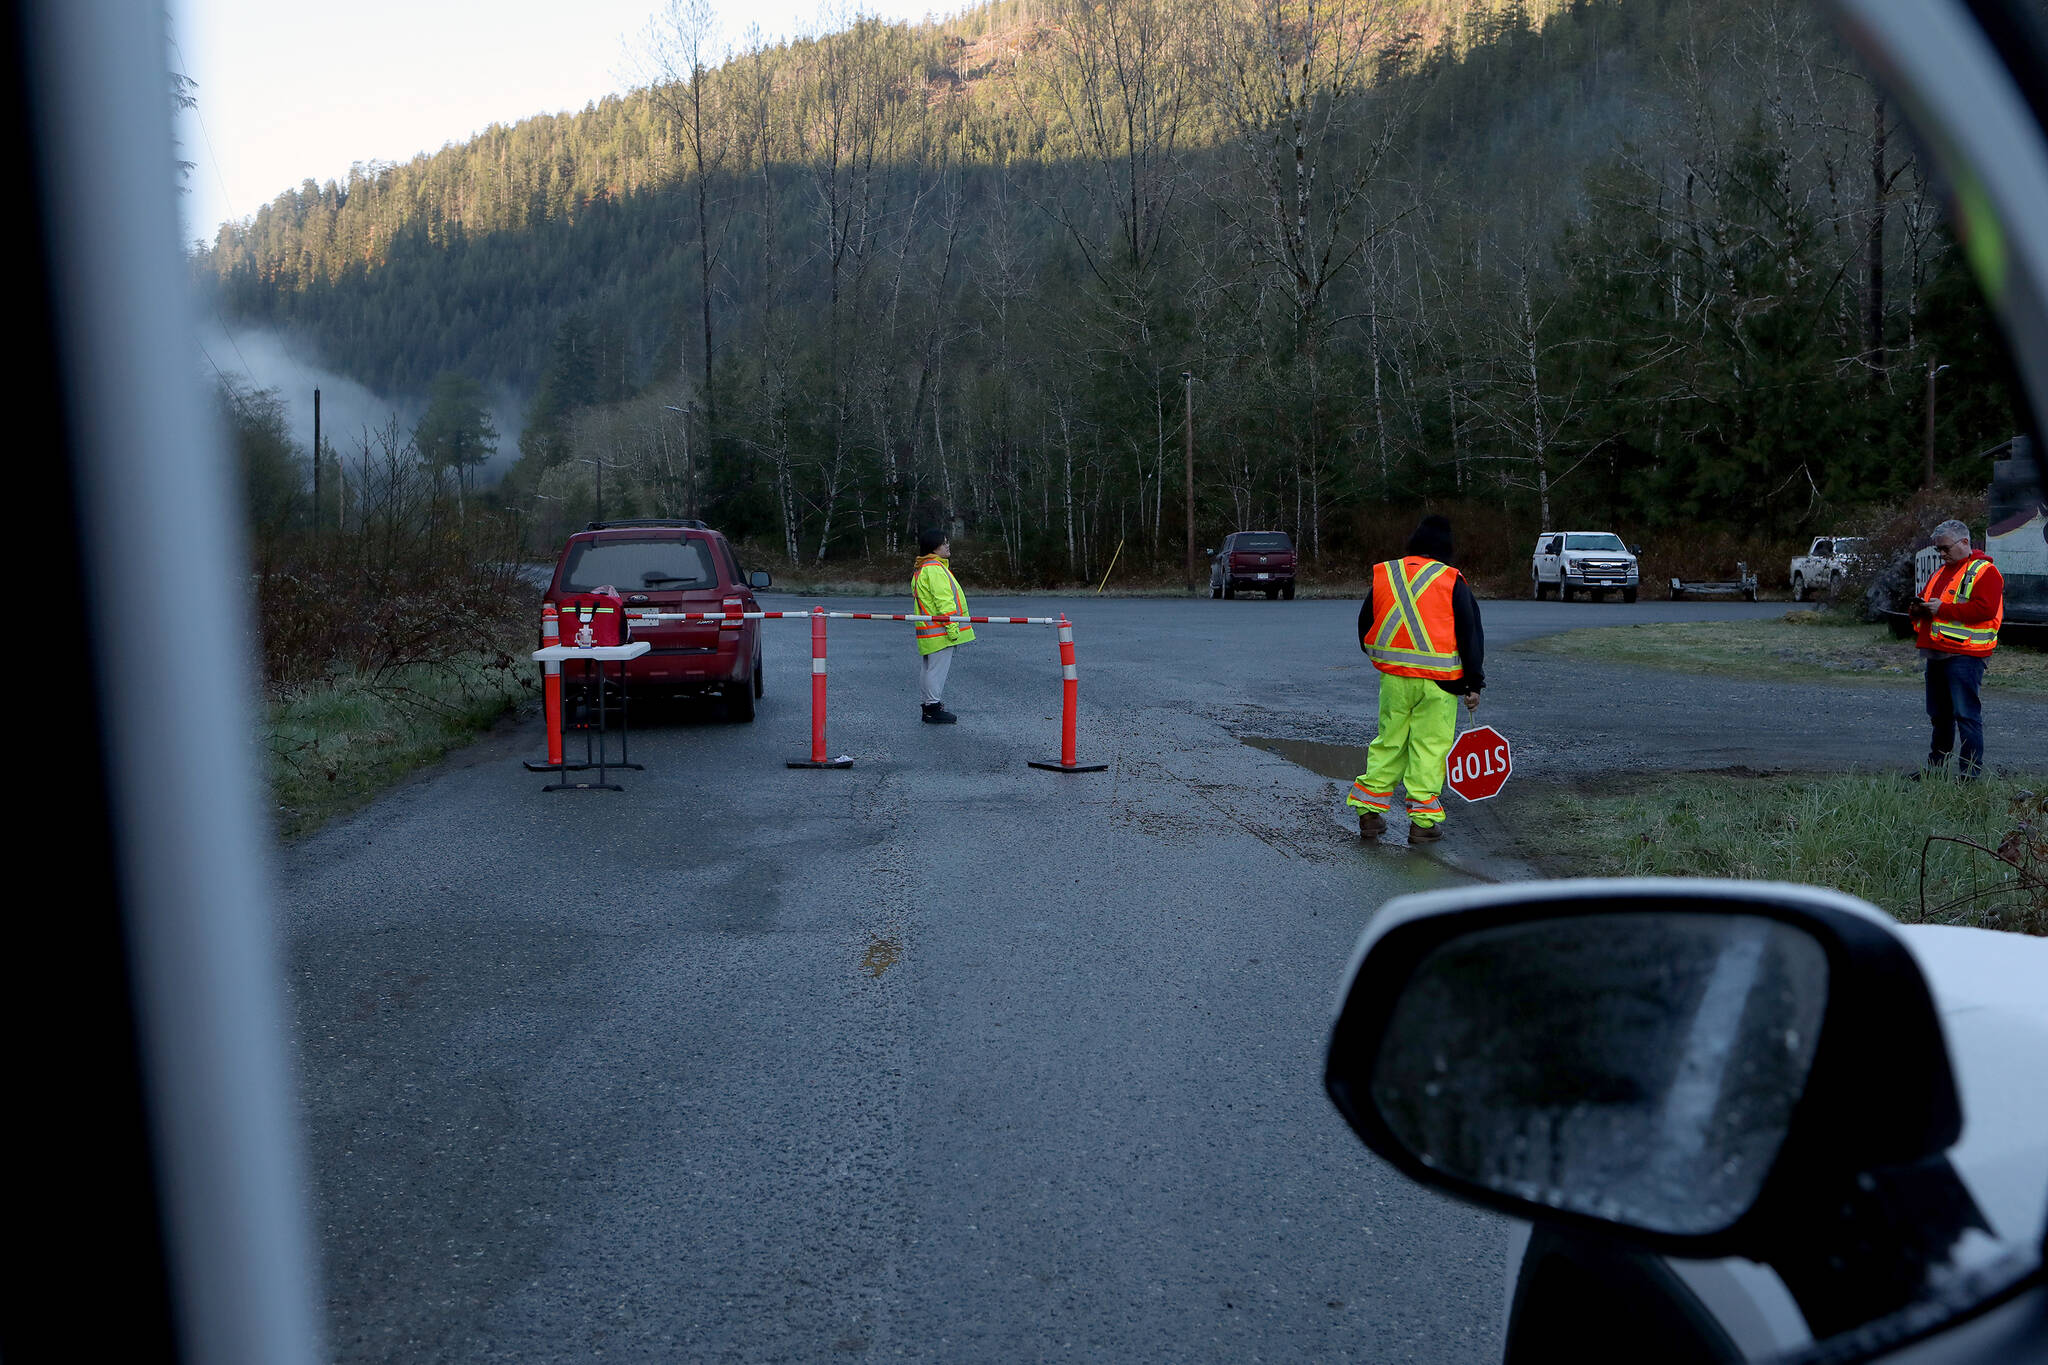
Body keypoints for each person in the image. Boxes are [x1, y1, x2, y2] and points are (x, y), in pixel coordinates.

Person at [1347, 515, 1486, 843]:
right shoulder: (1451, 580)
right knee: (1429, 747)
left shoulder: (1388, 574)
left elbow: (1365, 624)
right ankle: (1422, 824)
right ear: (1447, 547)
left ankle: (1369, 813)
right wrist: (1473, 683)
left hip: (1394, 679)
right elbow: (1470, 633)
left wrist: (1380, 656)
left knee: (1389, 742)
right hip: (1440, 683)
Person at [1908, 518, 2004, 779]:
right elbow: (1933, 605)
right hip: (1936, 653)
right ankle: (1935, 771)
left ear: (1964, 542)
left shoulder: (1986, 572)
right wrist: (1918, 610)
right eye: (1938, 549)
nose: (1941, 554)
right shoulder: (1940, 572)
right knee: (1940, 716)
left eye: (1945, 548)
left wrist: (1942, 609)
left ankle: (1969, 777)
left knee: (1966, 717)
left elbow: (1984, 609)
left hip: (1966, 656)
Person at [912, 528, 975, 724]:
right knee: (936, 670)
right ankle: (932, 707)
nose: (948, 546)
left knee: (929, 669)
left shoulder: (923, 568)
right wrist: (953, 629)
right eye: (944, 543)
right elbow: (944, 602)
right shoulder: (935, 569)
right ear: (934, 547)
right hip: (941, 630)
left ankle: (929, 706)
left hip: (930, 629)